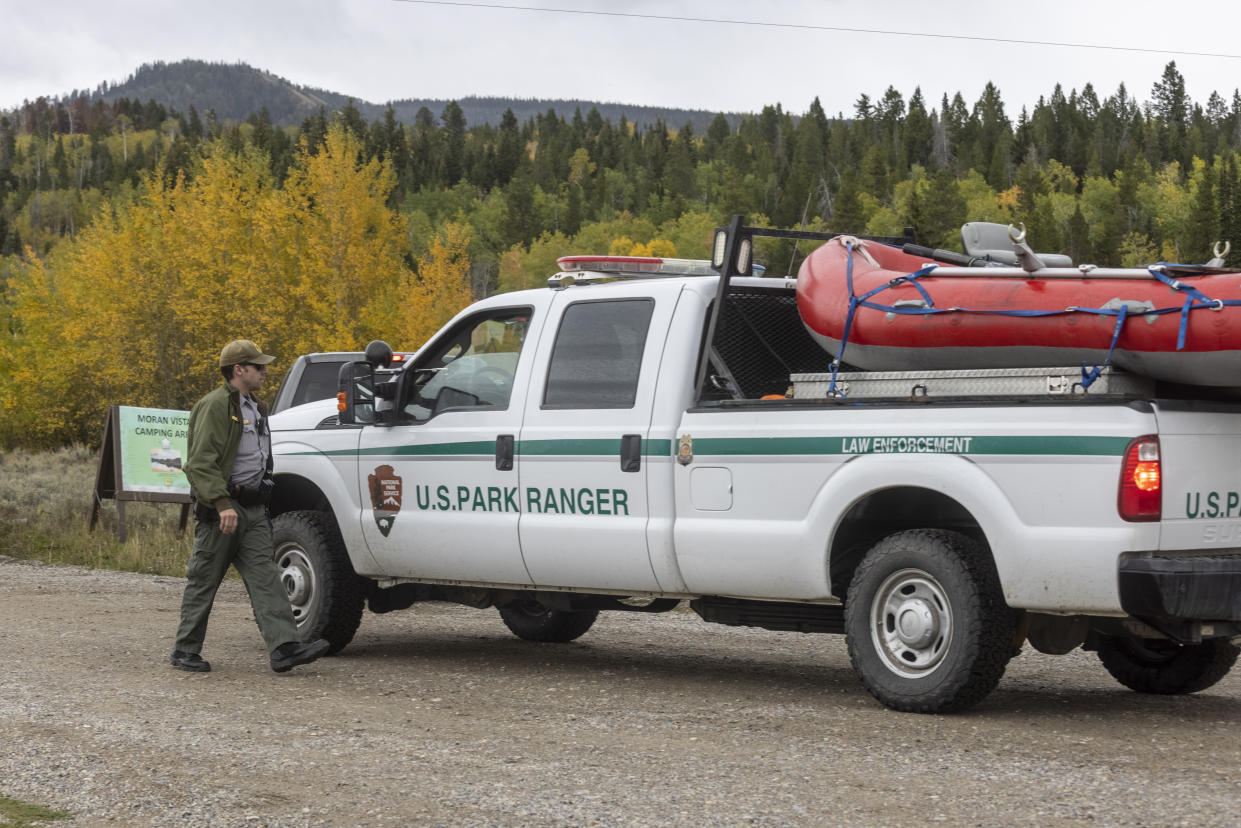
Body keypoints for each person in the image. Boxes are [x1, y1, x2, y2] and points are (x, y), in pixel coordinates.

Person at [170, 339, 330, 674]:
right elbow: (200, 464)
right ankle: (185, 650)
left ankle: (285, 648)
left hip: (254, 510)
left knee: (267, 579)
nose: (265, 372)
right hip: (222, 511)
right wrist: (222, 503)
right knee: (204, 579)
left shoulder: (256, 407)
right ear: (238, 370)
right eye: (258, 367)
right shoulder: (215, 406)